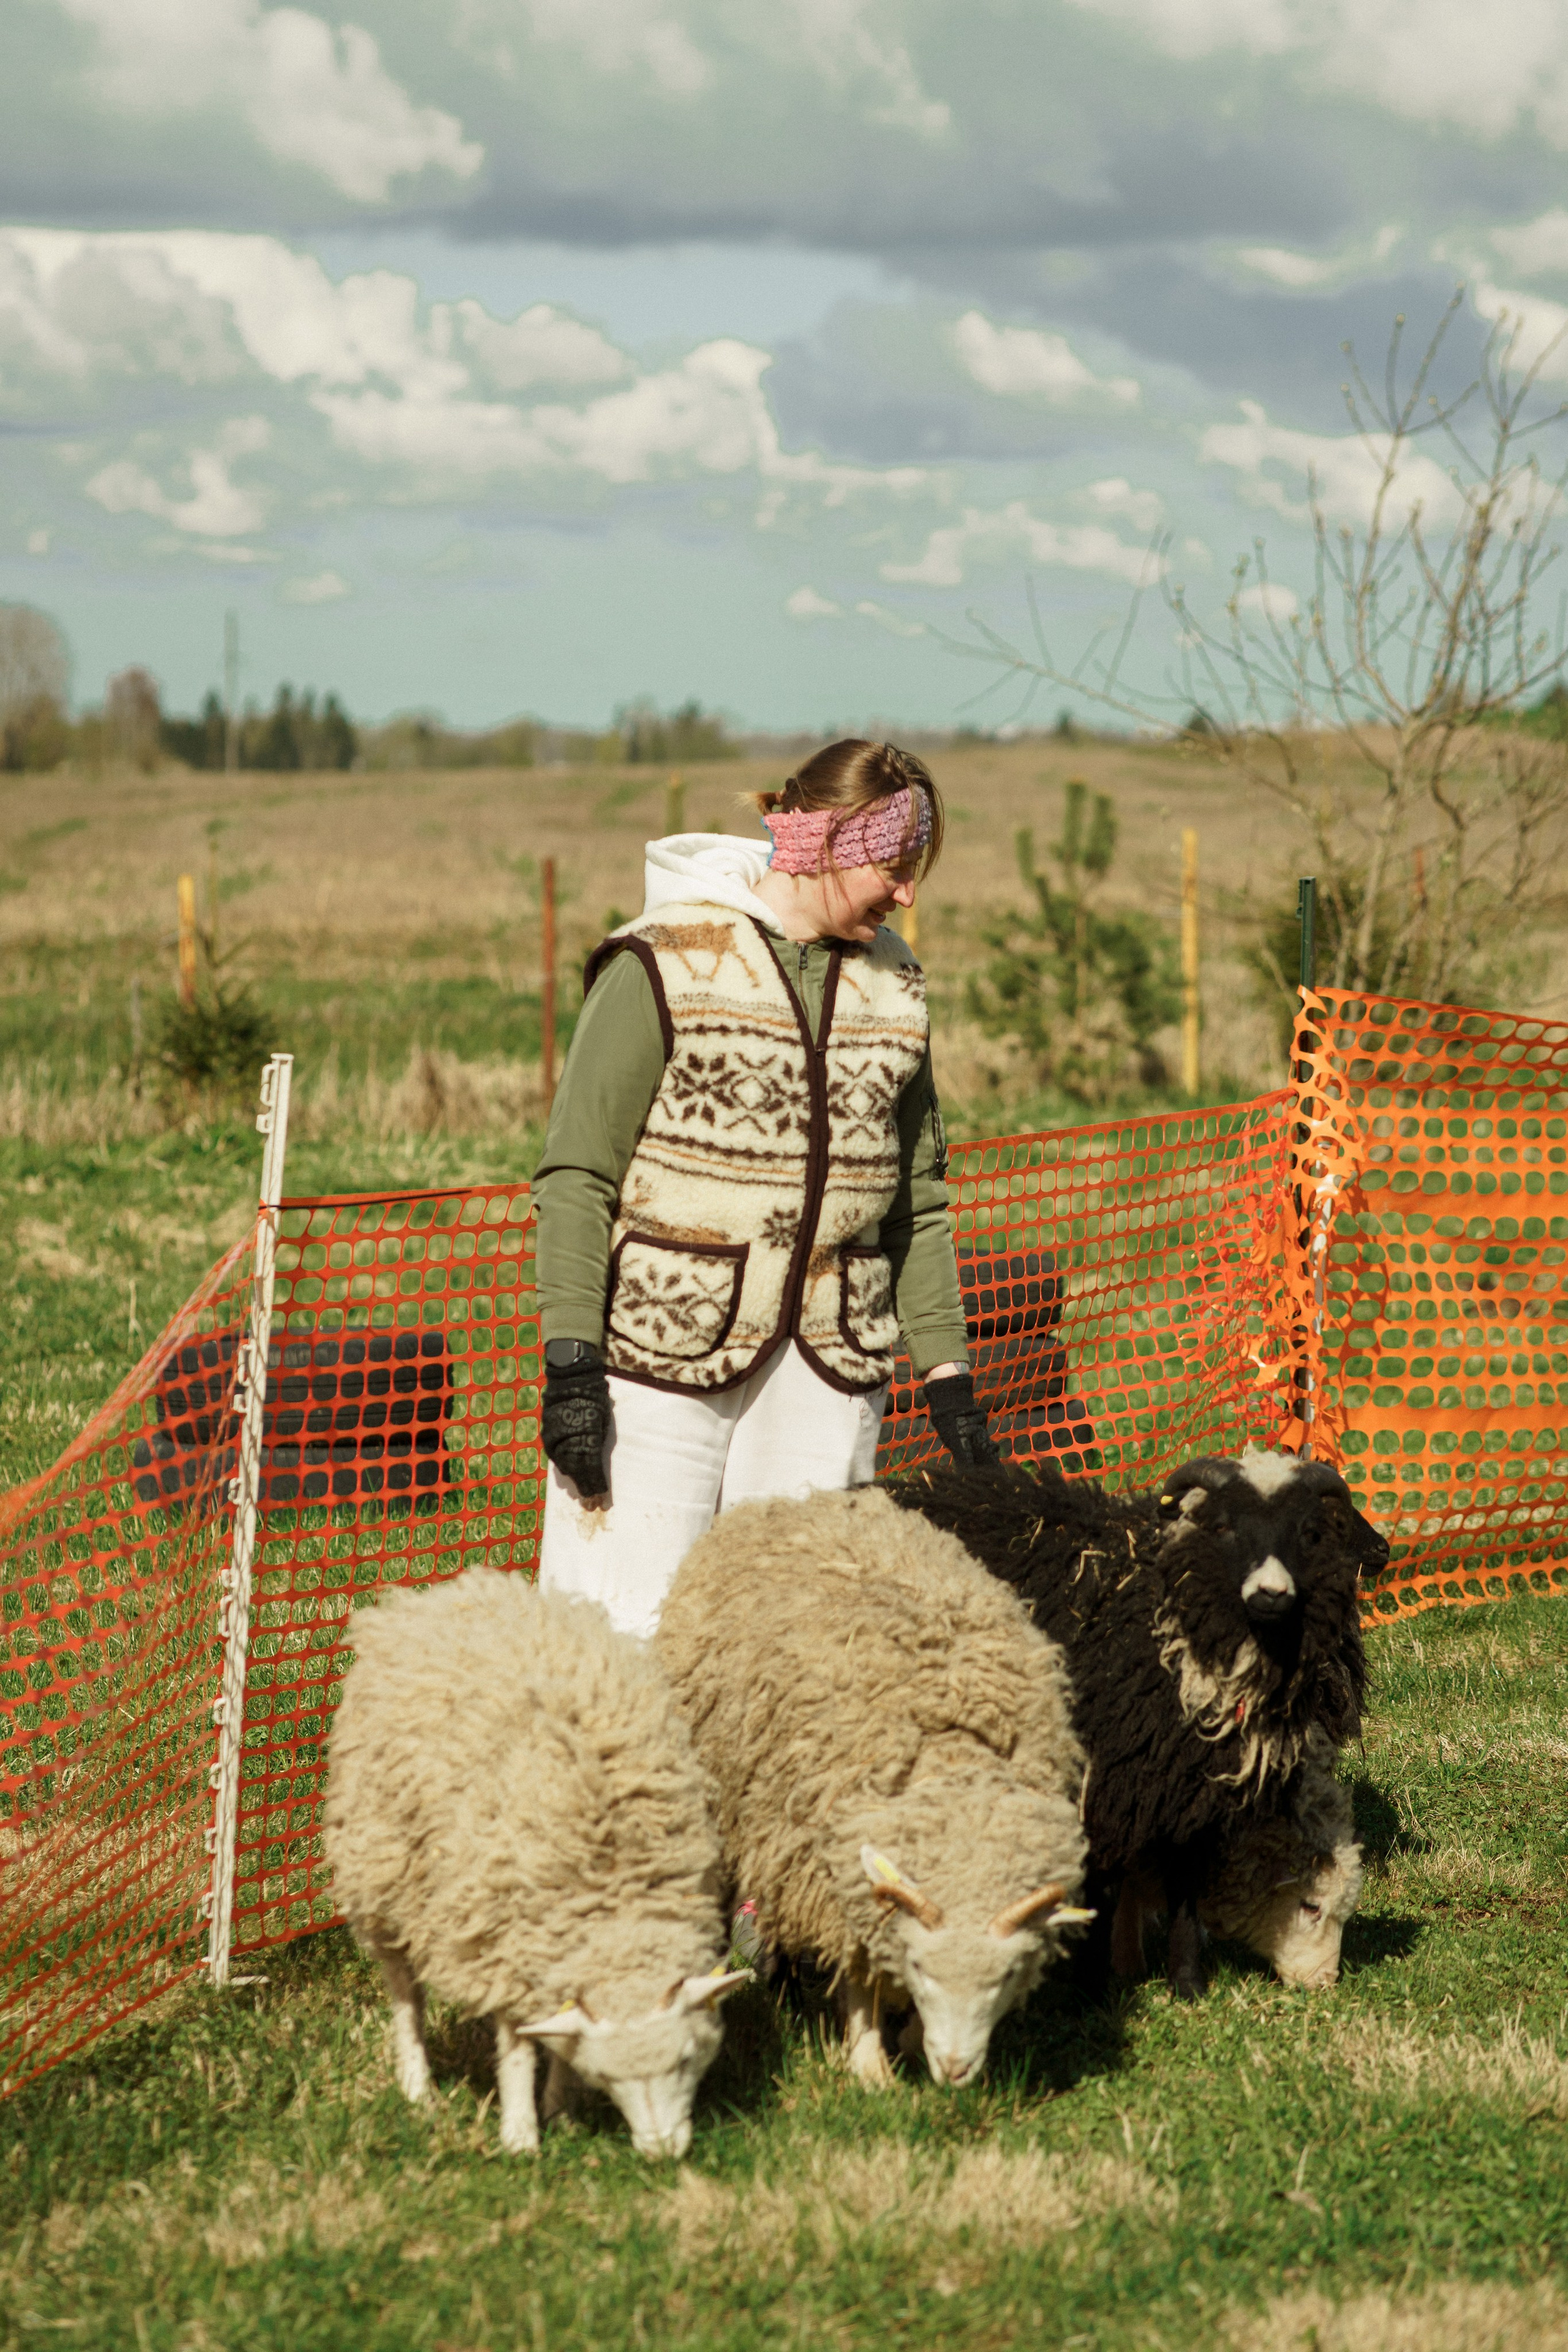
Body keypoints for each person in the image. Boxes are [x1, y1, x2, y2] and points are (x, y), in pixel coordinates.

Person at [531, 737, 997, 1640]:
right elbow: (577, 1173)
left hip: (831, 1367)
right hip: (659, 1364)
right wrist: (573, 1369)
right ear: (826, 846)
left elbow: (917, 1199)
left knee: (797, 1649)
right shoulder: (659, 963)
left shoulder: (897, 985)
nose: (908, 894)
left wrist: (951, 1380)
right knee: (621, 1635)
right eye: (894, 870)